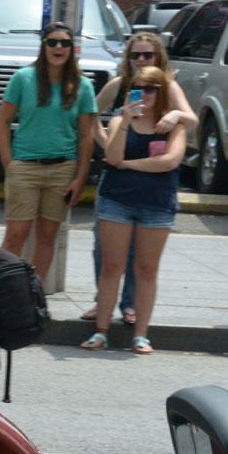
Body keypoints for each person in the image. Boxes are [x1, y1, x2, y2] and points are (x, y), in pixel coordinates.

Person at [81, 31, 198, 325]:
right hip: (116, 182)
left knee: (140, 255)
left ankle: (129, 303)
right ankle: (102, 302)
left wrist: (175, 117)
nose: (141, 60)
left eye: (147, 55)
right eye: (135, 55)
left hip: (150, 186)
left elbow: (192, 120)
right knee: (104, 250)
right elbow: (91, 112)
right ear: (127, 58)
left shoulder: (166, 86)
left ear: (159, 57)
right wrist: (105, 138)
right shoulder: (120, 85)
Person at [0, 22, 97, 283]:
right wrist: (10, 165)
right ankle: (3, 294)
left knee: (48, 236)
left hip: (62, 169)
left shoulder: (83, 85)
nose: (59, 47)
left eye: (65, 43)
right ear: (44, 46)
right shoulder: (23, 78)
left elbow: (87, 136)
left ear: (72, 49)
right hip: (25, 167)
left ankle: (34, 299)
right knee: (15, 235)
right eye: (52, 42)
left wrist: (80, 177)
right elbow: (3, 122)